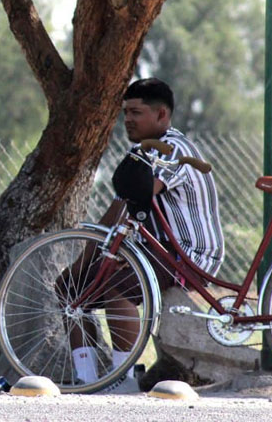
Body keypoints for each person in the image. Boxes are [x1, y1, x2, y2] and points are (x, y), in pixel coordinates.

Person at [67, 77, 224, 392]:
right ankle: (85, 381)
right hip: (155, 251)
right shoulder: (145, 151)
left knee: (119, 286)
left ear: (161, 115)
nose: (127, 120)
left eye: (136, 113)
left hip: (188, 255)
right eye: (125, 113)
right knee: (71, 289)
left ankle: (120, 379)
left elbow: (142, 191)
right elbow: (117, 209)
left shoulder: (173, 148)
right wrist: (85, 260)